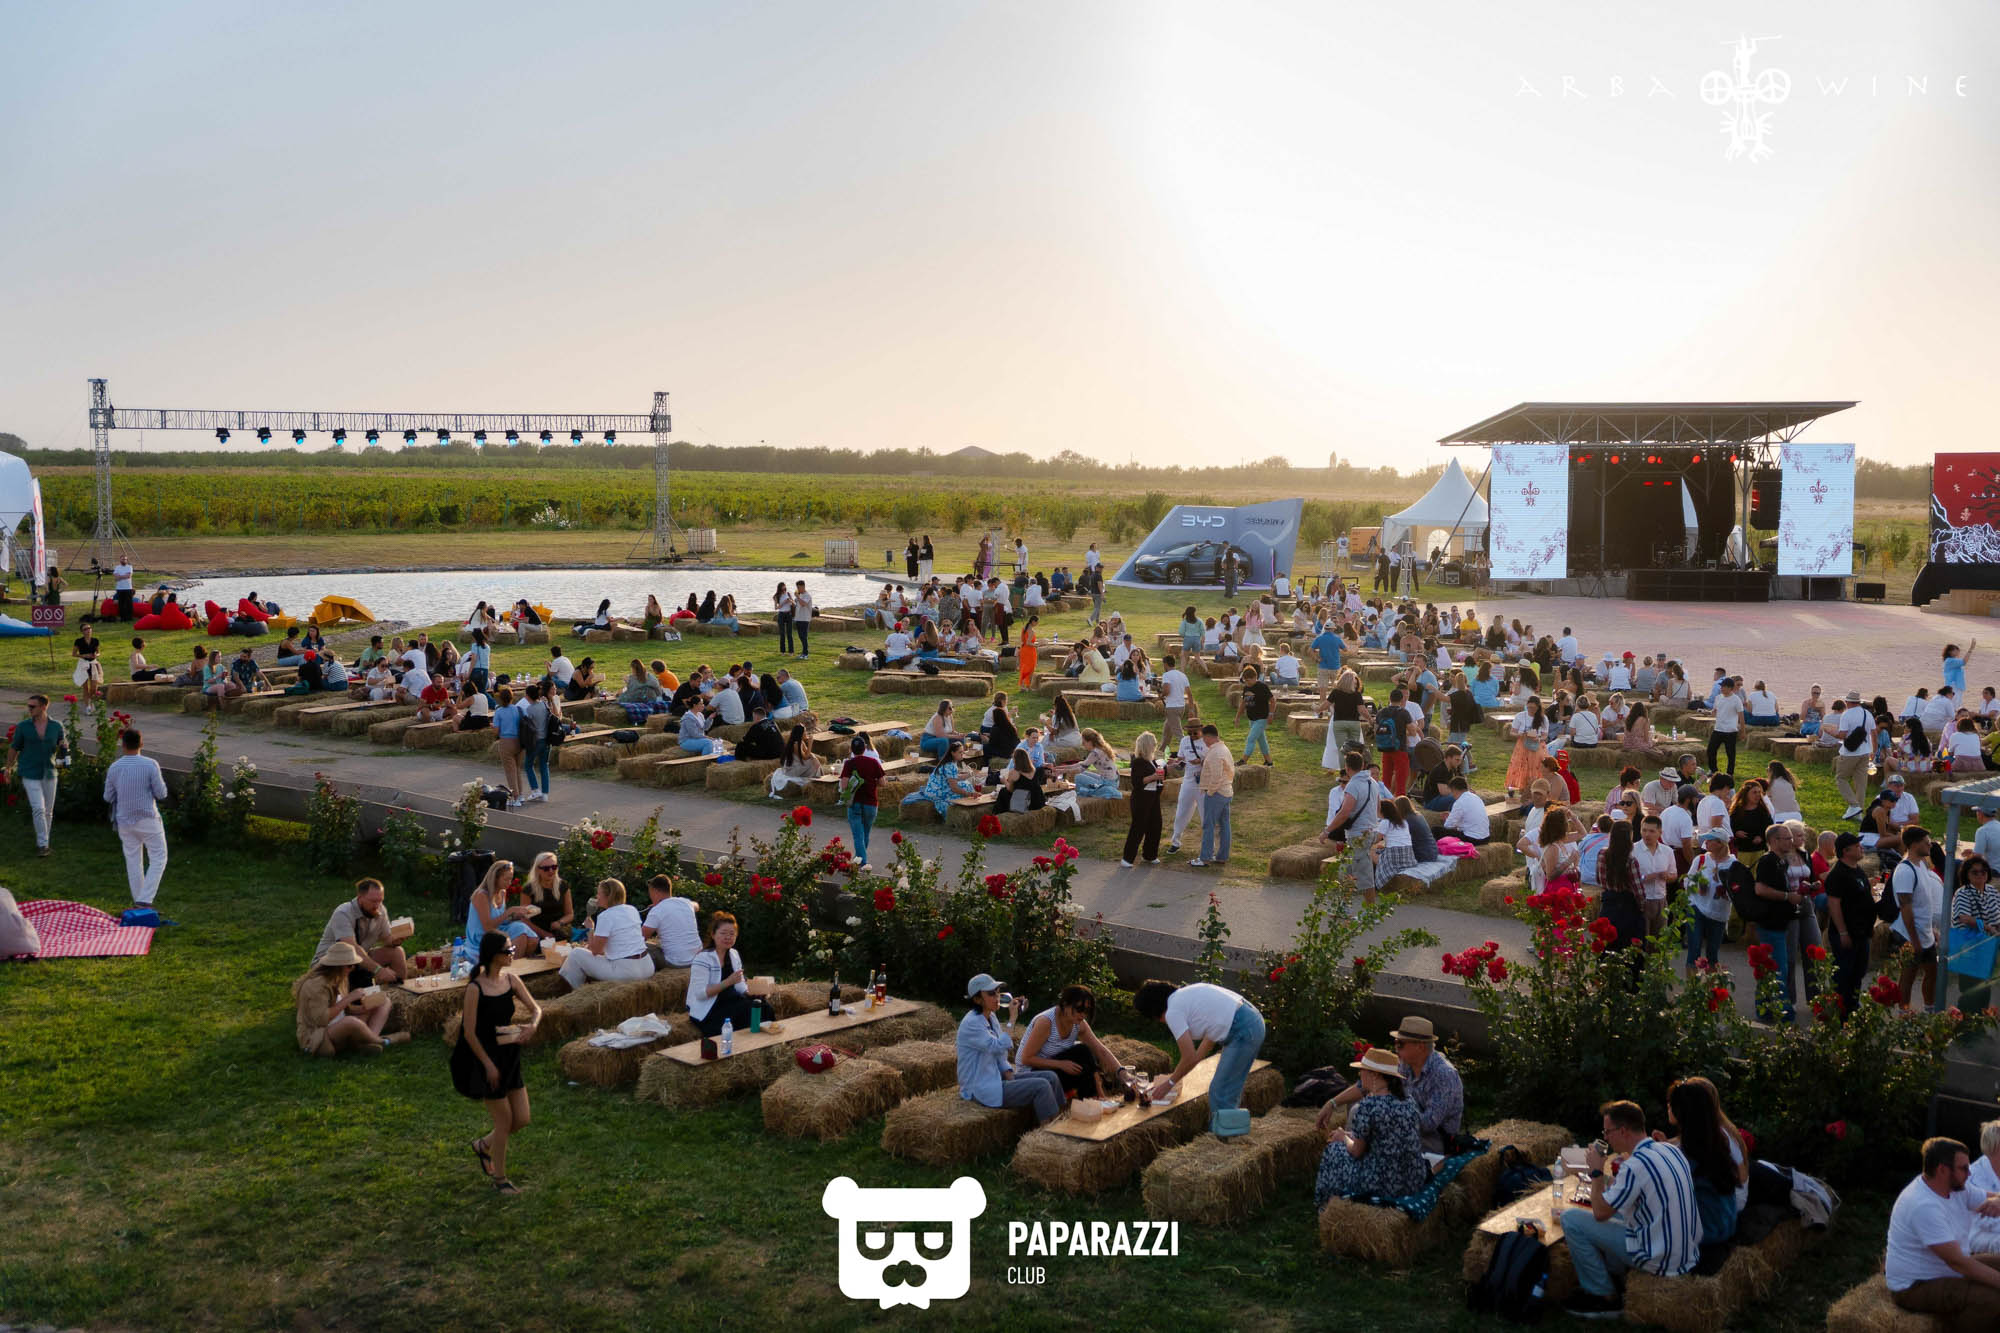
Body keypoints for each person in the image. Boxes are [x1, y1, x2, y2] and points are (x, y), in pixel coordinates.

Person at [1560, 1099, 1700, 1318]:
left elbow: (1600, 1212)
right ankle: (1614, 1273)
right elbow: (1630, 1193)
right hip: (1685, 1255)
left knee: (1571, 1219)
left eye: (1607, 1132)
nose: (1606, 1138)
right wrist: (1605, 1181)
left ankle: (1602, 1295)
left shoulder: (1635, 1166)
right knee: (1620, 1211)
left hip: (1659, 1259)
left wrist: (1596, 1173)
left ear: (1623, 1131)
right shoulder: (1670, 1150)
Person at [450, 932, 542, 1195]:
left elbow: (537, 1009)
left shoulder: (511, 980)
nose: (513, 953)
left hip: (509, 1055)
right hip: (484, 1058)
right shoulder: (475, 989)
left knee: (521, 1119)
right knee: (504, 1122)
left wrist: (533, 1026)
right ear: (494, 955)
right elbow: (469, 1033)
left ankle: (482, 1145)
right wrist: (488, 1065)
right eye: (508, 950)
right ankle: (500, 1180)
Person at [1884, 1136, 2000, 1326]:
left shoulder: (1956, 1188)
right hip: (1916, 1285)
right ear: (1942, 1170)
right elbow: (1958, 1263)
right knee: (1993, 1300)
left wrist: (1997, 1201)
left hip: (1946, 1269)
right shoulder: (1923, 1205)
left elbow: (1990, 1198)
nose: (1970, 1173)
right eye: (1963, 1168)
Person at [1133, 978, 1266, 1138]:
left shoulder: (1173, 1012)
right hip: (1250, 1021)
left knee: (1220, 1091)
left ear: (1154, 1011)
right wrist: (1186, 1068)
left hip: (1244, 1030)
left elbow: (1188, 1056)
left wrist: (1170, 1083)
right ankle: (1226, 1134)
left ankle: (1223, 1141)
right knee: (1224, 1089)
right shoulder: (1184, 996)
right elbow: (1207, 1041)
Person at [1312, 1045, 1429, 1207]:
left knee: (1333, 1150)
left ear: (1375, 1075)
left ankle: (1325, 1206)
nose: (1360, 1074)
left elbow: (1356, 1151)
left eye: (1362, 1070)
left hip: (1385, 1184)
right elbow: (1386, 1138)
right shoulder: (1409, 1100)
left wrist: (1343, 1137)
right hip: (1412, 1180)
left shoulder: (1369, 1106)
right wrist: (1351, 1135)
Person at [1658, 1076, 1748, 1254]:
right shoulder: (1714, 1141)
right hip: (1725, 1224)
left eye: (1672, 1103)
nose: (1668, 1106)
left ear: (1683, 1111)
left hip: (1708, 1233)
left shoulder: (1687, 1153)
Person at [956, 972, 1062, 1122]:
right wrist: (1012, 1018)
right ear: (977, 999)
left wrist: (1009, 1075)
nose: (997, 997)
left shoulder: (991, 1016)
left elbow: (1000, 1055)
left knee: (1050, 1077)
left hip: (995, 1078)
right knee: (1042, 1086)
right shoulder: (971, 1023)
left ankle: (1061, 1119)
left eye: (998, 992)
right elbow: (998, 1047)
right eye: (991, 994)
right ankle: (1050, 1130)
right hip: (980, 1087)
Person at [295, 941, 407, 1057]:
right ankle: (383, 1041)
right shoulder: (316, 986)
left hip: (340, 1025)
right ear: (337, 966)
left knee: (383, 1002)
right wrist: (349, 998)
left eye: (354, 965)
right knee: (351, 1022)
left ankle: (367, 1042)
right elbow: (321, 1020)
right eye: (349, 966)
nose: (352, 968)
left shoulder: (340, 977)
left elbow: (346, 1009)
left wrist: (363, 1008)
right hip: (319, 1035)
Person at [1015, 985, 1122, 1100]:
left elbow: (1100, 1050)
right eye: (1079, 1009)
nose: (1083, 1014)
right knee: (1082, 1056)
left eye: (1087, 1010)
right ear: (1065, 1004)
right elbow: (1026, 1059)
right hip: (1031, 1073)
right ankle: (1092, 1099)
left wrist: (1122, 1072)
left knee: (1084, 1051)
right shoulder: (1046, 1022)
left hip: (1055, 1067)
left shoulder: (1079, 1023)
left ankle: (1095, 1098)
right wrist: (1060, 1064)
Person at [102, 728, 168, 908]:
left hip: (124, 820)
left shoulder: (114, 767)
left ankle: (139, 901)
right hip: (147, 818)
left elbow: (107, 797)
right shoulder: (150, 764)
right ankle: (145, 899)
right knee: (159, 857)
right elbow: (161, 793)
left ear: (122, 744)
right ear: (141, 744)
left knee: (133, 860)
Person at [559, 878, 655, 988]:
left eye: (599, 893)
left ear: (608, 896)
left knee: (576, 954)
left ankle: (574, 992)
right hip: (647, 967)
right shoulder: (632, 909)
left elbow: (596, 951)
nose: (597, 896)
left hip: (626, 972)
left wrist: (590, 929)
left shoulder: (605, 916)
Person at [313, 877, 407, 985]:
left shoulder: (380, 910)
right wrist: (378, 970)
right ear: (360, 898)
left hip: (358, 960)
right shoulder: (343, 913)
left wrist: (397, 939)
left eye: (380, 900)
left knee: (397, 952)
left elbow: (386, 939)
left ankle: (399, 991)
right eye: (373, 901)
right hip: (332, 963)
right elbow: (352, 948)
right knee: (349, 960)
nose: (377, 905)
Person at [1893, 825, 1945, 1013]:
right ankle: (1904, 1013)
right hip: (1910, 934)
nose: (1930, 845)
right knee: (1908, 975)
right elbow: (1905, 908)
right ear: (1914, 845)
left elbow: (1925, 903)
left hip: (1925, 931)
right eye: (1926, 842)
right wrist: (1914, 940)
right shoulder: (1905, 871)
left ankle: (1929, 1008)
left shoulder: (1922, 864)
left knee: (1932, 972)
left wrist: (1930, 930)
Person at [8, 693, 63, 858]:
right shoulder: (23, 726)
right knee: (38, 808)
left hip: (49, 772)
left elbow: (61, 743)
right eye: (28, 706)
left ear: (44, 707)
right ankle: (43, 845)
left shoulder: (56, 726)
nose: (29, 709)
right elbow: (14, 747)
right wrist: (8, 767)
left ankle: (44, 842)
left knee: (48, 811)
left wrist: (64, 746)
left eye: (32, 706)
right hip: (29, 771)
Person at [688, 910, 756, 1038]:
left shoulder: (734, 954)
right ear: (713, 934)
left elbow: (740, 984)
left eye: (732, 934)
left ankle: (764, 1042)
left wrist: (751, 993)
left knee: (761, 1006)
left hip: (731, 1000)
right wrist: (728, 982)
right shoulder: (703, 958)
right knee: (745, 1010)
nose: (728, 937)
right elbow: (700, 994)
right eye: (723, 933)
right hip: (709, 1007)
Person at [1950, 853, 2000, 1012]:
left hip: (1987, 948)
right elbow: (1964, 918)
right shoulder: (1963, 893)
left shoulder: (1992, 891)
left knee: (1984, 990)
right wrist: (1987, 927)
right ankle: (1965, 1024)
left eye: (1983, 871)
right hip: (1969, 949)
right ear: (1966, 874)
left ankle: (1979, 1022)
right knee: (1970, 992)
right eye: (1974, 872)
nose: (1980, 875)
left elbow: (1997, 917)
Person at [467, 859, 541, 957]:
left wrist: (516, 916)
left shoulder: (502, 892)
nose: (509, 883)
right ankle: (511, 963)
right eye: (506, 879)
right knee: (521, 935)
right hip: (483, 936)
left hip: (499, 929)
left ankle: (518, 962)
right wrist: (509, 911)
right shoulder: (481, 895)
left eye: (511, 879)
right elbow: (487, 928)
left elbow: (502, 920)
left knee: (532, 939)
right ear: (495, 878)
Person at [1191, 725, 1234, 868]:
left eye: (1204, 738)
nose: (1203, 741)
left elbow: (1216, 777)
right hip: (1226, 791)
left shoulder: (1215, 753)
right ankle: (1222, 856)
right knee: (1225, 825)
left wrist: (1210, 792)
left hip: (1217, 793)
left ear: (1209, 737)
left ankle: (1205, 858)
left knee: (1208, 826)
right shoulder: (1223, 748)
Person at [840, 734, 886, 868]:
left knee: (858, 835)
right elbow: (883, 783)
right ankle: (859, 860)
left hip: (854, 803)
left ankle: (862, 862)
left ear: (851, 749)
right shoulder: (873, 762)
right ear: (865, 748)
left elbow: (844, 785)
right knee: (865, 833)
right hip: (871, 803)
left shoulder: (849, 764)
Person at [1121, 731, 1165, 867]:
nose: (1155, 746)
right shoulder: (1138, 762)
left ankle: (1150, 855)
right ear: (1147, 745)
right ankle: (1127, 859)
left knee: (1155, 826)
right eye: (1153, 743)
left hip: (1153, 797)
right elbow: (1137, 781)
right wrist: (1154, 777)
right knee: (1138, 827)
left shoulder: (1152, 761)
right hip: (1141, 798)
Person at [521, 852, 573, 946]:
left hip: (559, 932)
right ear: (538, 870)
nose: (551, 871)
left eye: (554, 867)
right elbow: (524, 919)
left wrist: (560, 922)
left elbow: (570, 914)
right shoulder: (529, 889)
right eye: (546, 868)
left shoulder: (563, 886)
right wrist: (544, 934)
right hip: (536, 933)